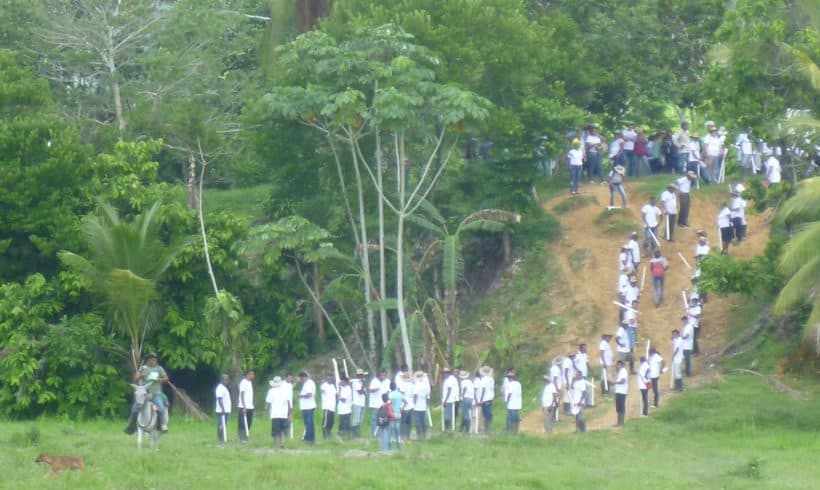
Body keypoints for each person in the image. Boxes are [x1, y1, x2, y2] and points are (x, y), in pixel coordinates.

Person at [125, 352, 169, 435]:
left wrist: (158, 380)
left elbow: (166, 378)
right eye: (152, 360)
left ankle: (162, 425)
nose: (154, 361)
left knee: (161, 407)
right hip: (144, 394)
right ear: (148, 360)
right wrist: (141, 375)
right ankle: (132, 426)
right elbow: (135, 379)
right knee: (134, 409)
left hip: (156, 393)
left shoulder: (159, 368)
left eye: (155, 360)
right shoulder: (143, 368)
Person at [265, 376, 292, 450]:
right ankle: (282, 443)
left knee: (276, 431)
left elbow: (268, 403)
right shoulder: (285, 391)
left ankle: (277, 446)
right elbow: (289, 403)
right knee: (282, 429)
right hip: (284, 413)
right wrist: (289, 413)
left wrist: (266, 413)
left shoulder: (271, 391)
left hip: (275, 414)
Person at [298, 371, 316, 443]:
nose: (301, 380)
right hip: (309, 406)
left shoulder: (308, 384)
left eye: (301, 379)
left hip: (307, 407)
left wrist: (300, 395)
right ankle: (310, 438)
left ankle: (309, 439)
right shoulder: (310, 383)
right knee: (310, 423)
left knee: (308, 423)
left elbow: (309, 394)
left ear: (304, 377)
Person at [237, 370, 255, 443]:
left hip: (250, 406)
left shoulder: (250, 382)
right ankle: (242, 438)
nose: (253, 375)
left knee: (249, 422)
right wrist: (244, 406)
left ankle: (246, 436)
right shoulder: (243, 382)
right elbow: (242, 394)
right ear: (248, 374)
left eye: (253, 374)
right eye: (252, 374)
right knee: (242, 423)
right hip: (243, 406)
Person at [368, 370, 387, 438]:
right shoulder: (374, 381)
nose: (383, 377)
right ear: (379, 375)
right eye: (381, 375)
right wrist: (376, 389)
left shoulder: (386, 382)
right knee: (374, 419)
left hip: (383, 404)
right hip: (375, 404)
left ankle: (380, 434)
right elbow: (370, 390)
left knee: (381, 419)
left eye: (384, 375)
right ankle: (373, 434)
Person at [412, 371, 430, 441]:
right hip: (423, 406)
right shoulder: (425, 386)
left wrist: (414, 404)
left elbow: (415, 396)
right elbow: (427, 396)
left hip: (417, 407)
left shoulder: (417, 385)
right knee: (423, 422)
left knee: (418, 422)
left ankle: (419, 437)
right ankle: (424, 436)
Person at [477, 365, 495, 432]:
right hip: (490, 399)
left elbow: (483, 390)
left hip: (485, 399)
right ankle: (488, 428)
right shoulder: (491, 379)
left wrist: (481, 400)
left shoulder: (484, 380)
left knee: (486, 414)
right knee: (489, 414)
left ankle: (488, 429)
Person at [504, 369, 522, 434]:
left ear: (511, 378)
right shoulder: (518, 384)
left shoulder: (511, 384)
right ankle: (516, 430)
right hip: (517, 403)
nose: (508, 379)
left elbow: (509, 394)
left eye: (508, 377)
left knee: (510, 418)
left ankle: (510, 431)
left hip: (511, 404)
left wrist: (506, 402)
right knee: (516, 417)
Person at [350, 368, 367, 438]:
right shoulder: (355, 383)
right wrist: (363, 384)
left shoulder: (361, 382)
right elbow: (360, 392)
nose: (361, 376)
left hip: (362, 403)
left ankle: (358, 433)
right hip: (357, 403)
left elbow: (365, 393)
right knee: (356, 420)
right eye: (360, 375)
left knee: (360, 419)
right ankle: (354, 434)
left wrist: (363, 384)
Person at [441, 367, 459, 432]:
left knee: (447, 416)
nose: (443, 375)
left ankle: (447, 429)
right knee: (451, 415)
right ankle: (449, 428)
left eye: (443, 373)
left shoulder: (449, 380)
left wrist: (445, 400)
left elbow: (449, 390)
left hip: (449, 400)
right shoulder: (451, 379)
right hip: (452, 399)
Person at [320, 374, 337, 439]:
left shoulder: (333, 386)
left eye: (331, 379)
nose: (330, 380)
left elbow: (336, 395)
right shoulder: (324, 385)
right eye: (329, 379)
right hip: (327, 407)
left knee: (331, 422)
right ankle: (325, 435)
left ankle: (329, 434)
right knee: (326, 422)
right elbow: (321, 391)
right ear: (326, 379)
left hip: (333, 407)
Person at [215, 374, 231, 443]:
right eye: (225, 379)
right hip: (222, 411)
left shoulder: (224, 388)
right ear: (221, 380)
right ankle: (220, 438)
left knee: (224, 424)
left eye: (227, 379)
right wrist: (223, 409)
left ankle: (224, 437)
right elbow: (219, 399)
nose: (226, 381)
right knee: (221, 425)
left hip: (226, 410)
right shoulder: (220, 388)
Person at [388, 381, 403, 447]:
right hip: (398, 413)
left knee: (391, 428)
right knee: (398, 429)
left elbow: (389, 403)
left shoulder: (390, 394)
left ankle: (390, 442)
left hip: (392, 413)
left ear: (390, 387)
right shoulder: (400, 394)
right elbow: (405, 402)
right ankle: (399, 443)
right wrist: (402, 408)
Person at [613, 360, 628, 426]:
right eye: (617, 365)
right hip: (619, 391)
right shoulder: (620, 372)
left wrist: (614, 383)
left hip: (622, 392)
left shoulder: (623, 371)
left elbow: (622, 381)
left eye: (618, 365)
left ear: (622, 365)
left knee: (621, 407)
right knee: (618, 407)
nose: (617, 366)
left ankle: (621, 422)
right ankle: (619, 422)